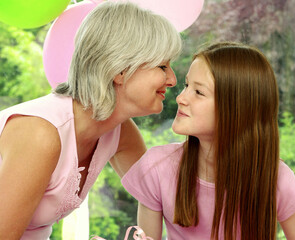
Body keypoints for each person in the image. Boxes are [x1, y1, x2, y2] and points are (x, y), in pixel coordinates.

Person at [0, 1, 181, 239]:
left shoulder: (119, 131)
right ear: (120, 70)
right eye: (162, 66)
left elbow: (163, 197)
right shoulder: (41, 134)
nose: (173, 80)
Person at [122, 42, 295, 240]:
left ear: (238, 109)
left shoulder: (275, 179)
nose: (181, 98)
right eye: (187, 85)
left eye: (199, 92)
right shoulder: (156, 168)